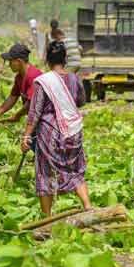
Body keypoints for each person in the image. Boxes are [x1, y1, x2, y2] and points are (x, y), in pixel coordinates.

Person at [22, 40, 92, 216]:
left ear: (47, 59)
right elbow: (81, 101)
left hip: (49, 136)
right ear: (65, 59)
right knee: (75, 170)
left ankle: (47, 218)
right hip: (73, 132)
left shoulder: (43, 82)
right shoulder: (75, 79)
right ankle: (88, 207)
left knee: (45, 173)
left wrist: (26, 136)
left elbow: (34, 113)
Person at [0, 43, 43, 121]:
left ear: (19, 61)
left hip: (46, 119)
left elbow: (31, 103)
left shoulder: (33, 76)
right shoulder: (19, 77)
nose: (9, 65)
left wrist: (18, 115)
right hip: (35, 118)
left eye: (11, 61)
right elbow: (12, 97)